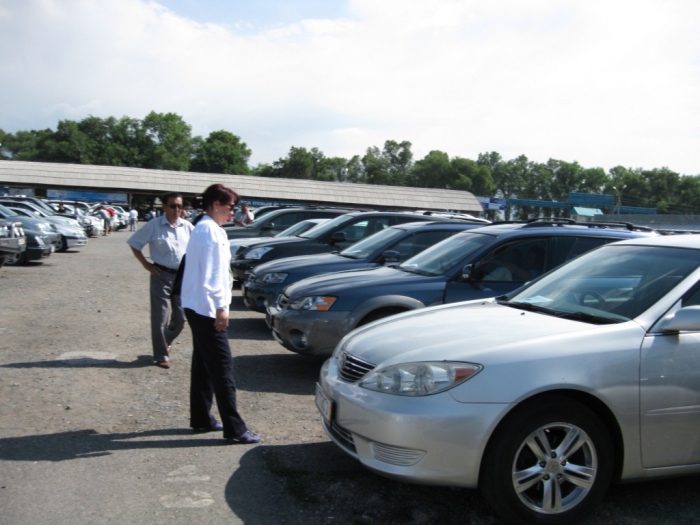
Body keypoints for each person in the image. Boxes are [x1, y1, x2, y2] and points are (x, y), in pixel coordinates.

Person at [181, 184, 260, 444]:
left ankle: (201, 418)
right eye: (230, 207)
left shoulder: (204, 227)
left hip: (196, 305)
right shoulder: (210, 232)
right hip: (206, 308)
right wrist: (221, 308)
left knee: (204, 365)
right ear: (216, 205)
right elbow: (213, 275)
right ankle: (235, 429)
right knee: (222, 367)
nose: (232, 212)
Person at [126, 192, 193, 369]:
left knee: (180, 318)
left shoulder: (187, 227)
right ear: (164, 207)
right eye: (172, 206)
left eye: (179, 206)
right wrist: (146, 265)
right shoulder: (154, 226)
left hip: (182, 277)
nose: (176, 209)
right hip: (161, 275)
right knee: (160, 317)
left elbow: (197, 248)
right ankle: (161, 354)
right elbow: (134, 243)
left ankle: (166, 340)